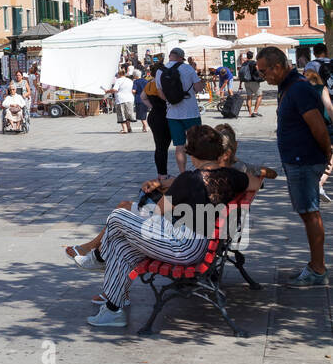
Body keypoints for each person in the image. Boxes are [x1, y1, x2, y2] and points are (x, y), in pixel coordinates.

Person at [80, 125, 252, 328]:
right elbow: (254, 182)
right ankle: (111, 309)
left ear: (193, 155)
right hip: (204, 245)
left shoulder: (190, 179)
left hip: (184, 247)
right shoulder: (233, 177)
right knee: (122, 245)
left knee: (118, 216)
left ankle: (99, 257)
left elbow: (158, 213)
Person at [256, 46, 333, 284]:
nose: (262, 76)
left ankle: (318, 268)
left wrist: (327, 153)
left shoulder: (298, 87)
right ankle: (315, 265)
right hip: (298, 160)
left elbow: (317, 126)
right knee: (307, 212)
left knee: (310, 212)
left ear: (277, 67)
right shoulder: (289, 85)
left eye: (263, 71)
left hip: (304, 160)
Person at [156, 47, 201, 174]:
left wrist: (171, 101)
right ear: (181, 57)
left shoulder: (160, 71)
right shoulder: (187, 68)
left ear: (170, 56)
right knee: (196, 144)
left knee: (179, 146)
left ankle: (182, 173)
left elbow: (160, 93)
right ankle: (199, 170)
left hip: (173, 114)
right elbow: (198, 88)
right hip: (191, 112)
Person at [303, 70, 333, 203]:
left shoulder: (300, 90)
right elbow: (329, 107)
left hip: (305, 127)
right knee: (330, 156)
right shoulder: (322, 89)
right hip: (323, 126)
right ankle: (319, 184)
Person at [110, 68, 136, 134]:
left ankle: (125, 129)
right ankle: (129, 127)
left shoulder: (118, 80)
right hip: (130, 99)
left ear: (119, 74)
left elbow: (115, 89)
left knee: (122, 114)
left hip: (121, 99)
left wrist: (108, 91)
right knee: (128, 114)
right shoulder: (130, 80)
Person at [238, 52, 263, 117]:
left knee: (249, 97)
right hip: (254, 82)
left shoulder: (244, 63)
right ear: (252, 56)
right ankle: (255, 111)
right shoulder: (254, 63)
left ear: (247, 56)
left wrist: (240, 84)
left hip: (246, 82)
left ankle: (250, 113)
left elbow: (241, 74)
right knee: (259, 95)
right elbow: (258, 70)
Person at [131, 69, 149, 133]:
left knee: (141, 115)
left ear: (135, 75)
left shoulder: (136, 82)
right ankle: (144, 127)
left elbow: (134, 91)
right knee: (144, 114)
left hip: (139, 99)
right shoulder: (145, 80)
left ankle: (145, 126)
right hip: (146, 99)